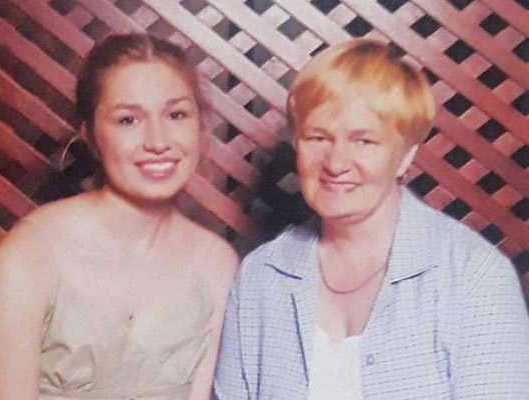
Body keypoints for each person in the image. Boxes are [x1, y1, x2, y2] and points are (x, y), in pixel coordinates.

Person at [214, 38, 529, 399]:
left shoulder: (474, 276)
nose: (336, 163)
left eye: (364, 141)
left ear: (406, 156)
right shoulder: (260, 277)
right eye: (318, 137)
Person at [0, 33, 238, 400]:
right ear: (91, 136)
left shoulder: (216, 265)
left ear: (199, 125)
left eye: (176, 114)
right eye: (128, 119)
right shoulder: (31, 254)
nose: (158, 141)